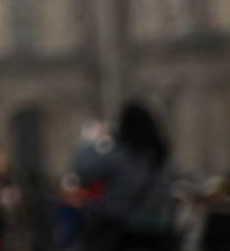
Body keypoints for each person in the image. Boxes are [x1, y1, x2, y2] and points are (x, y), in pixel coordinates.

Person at [68, 102, 174, 251]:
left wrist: (88, 140)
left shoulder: (120, 156)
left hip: (120, 232)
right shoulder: (163, 160)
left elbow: (83, 173)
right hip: (157, 231)